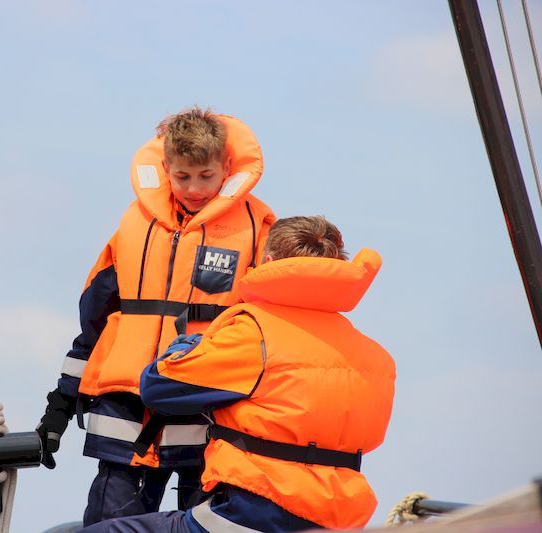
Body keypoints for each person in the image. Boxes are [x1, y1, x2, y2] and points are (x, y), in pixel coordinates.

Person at [80, 215, 396, 532]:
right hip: (338, 519)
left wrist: (186, 346)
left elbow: (157, 388)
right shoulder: (374, 355)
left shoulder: (253, 333)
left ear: (268, 262)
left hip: (251, 512)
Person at [36, 108, 275, 525]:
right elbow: (94, 325)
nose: (194, 188)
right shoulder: (134, 224)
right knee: (108, 528)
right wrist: (59, 406)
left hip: (209, 410)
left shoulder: (260, 229)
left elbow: (275, 334)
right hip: (126, 412)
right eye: (182, 177)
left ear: (227, 168)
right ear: (166, 169)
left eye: (206, 176)